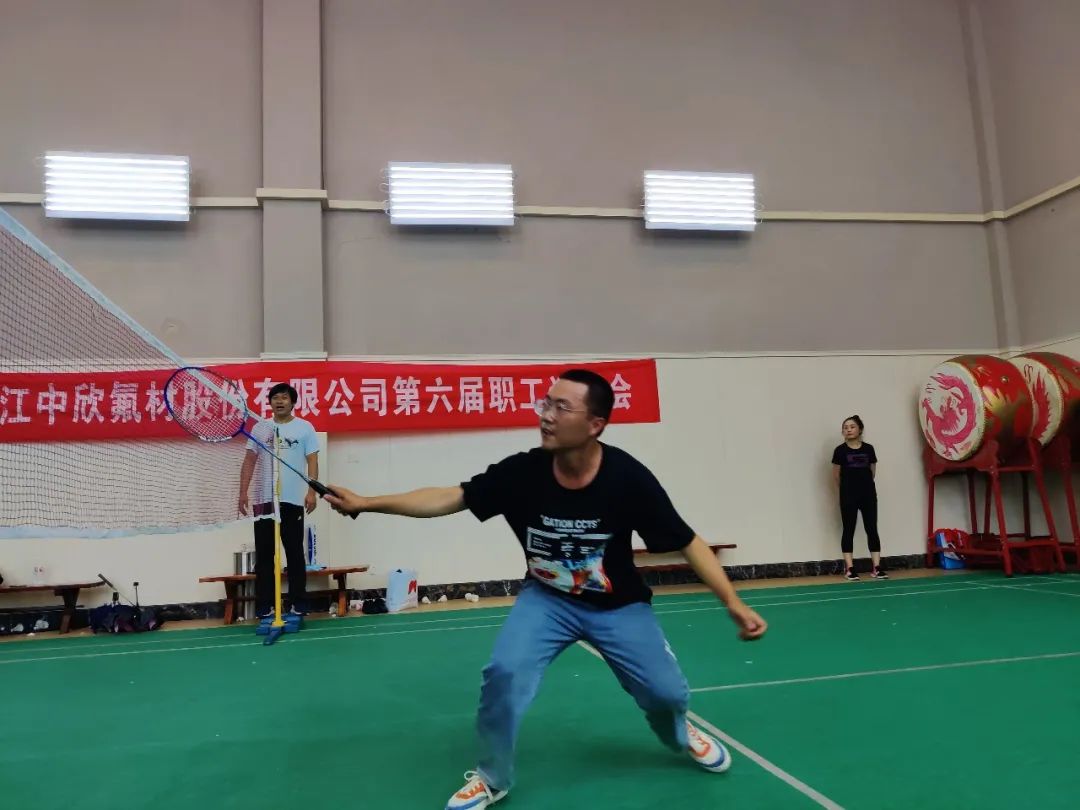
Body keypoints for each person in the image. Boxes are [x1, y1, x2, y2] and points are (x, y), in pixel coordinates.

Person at [323, 369, 768, 809]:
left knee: (665, 694)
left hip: (618, 605)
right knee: (504, 675)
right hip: (548, 600)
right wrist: (367, 503)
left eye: (561, 407)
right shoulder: (524, 472)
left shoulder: (628, 478)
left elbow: (687, 541)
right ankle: (492, 778)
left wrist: (732, 601)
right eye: (546, 403)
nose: (547, 415)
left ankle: (678, 731)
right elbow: (451, 496)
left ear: (595, 425)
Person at [238, 382, 319, 617]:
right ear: (270, 403)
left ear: (292, 402)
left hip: (292, 500)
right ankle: (266, 606)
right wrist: (243, 492)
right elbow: (249, 460)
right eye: (275, 398)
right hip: (264, 500)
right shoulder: (260, 428)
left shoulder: (305, 428)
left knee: (294, 553)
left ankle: (298, 604)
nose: (279, 401)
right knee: (264, 555)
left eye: (284, 397)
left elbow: (312, 461)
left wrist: (312, 492)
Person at [831, 415, 887, 581]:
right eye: (845, 427)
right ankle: (850, 569)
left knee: (872, 529)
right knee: (848, 529)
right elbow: (836, 475)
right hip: (848, 496)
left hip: (868, 495)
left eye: (852, 426)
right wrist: (847, 490)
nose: (848, 430)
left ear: (860, 429)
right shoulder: (840, 451)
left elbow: (872, 471)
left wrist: (864, 486)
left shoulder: (869, 449)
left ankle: (877, 568)